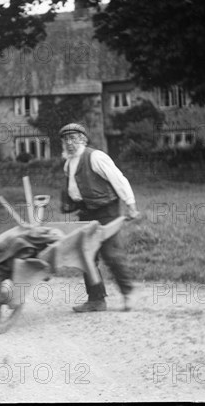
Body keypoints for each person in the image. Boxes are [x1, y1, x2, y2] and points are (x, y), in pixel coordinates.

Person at [58, 123, 141, 312]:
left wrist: (131, 205)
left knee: (110, 253)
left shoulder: (96, 157)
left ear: (83, 140)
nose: (69, 143)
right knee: (85, 255)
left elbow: (119, 179)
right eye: (65, 139)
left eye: (74, 138)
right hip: (86, 212)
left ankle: (129, 293)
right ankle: (96, 300)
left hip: (107, 210)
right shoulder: (68, 164)